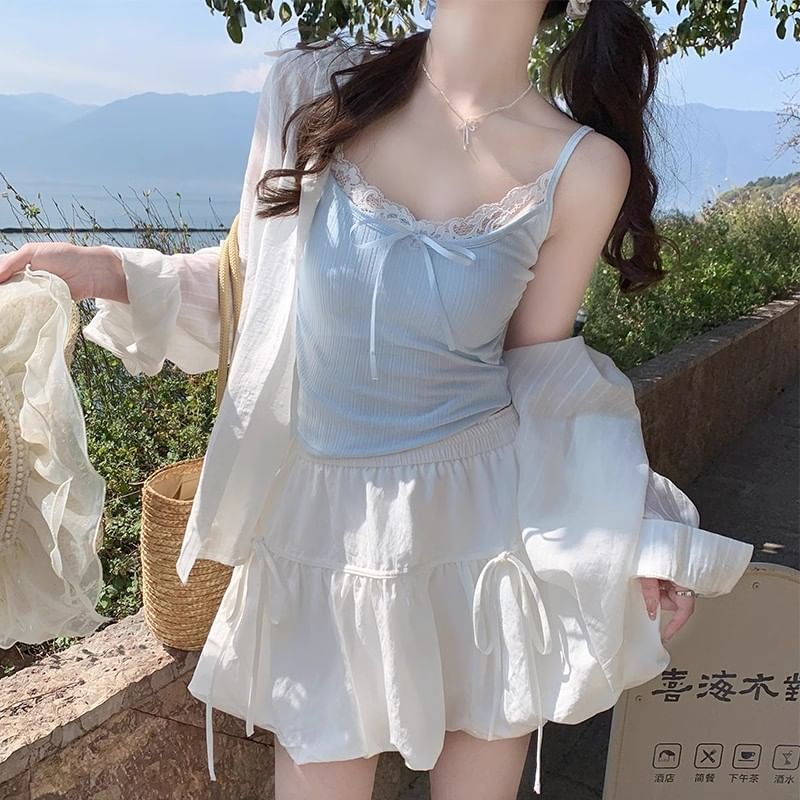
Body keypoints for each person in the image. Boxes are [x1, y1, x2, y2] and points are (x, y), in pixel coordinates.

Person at [0, 2, 754, 798]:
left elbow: (544, 379)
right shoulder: (313, 90)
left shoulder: (584, 166)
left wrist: (631, 528)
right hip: (323, 533)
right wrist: (99, 269)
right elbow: (255, 297)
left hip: (486, 541)